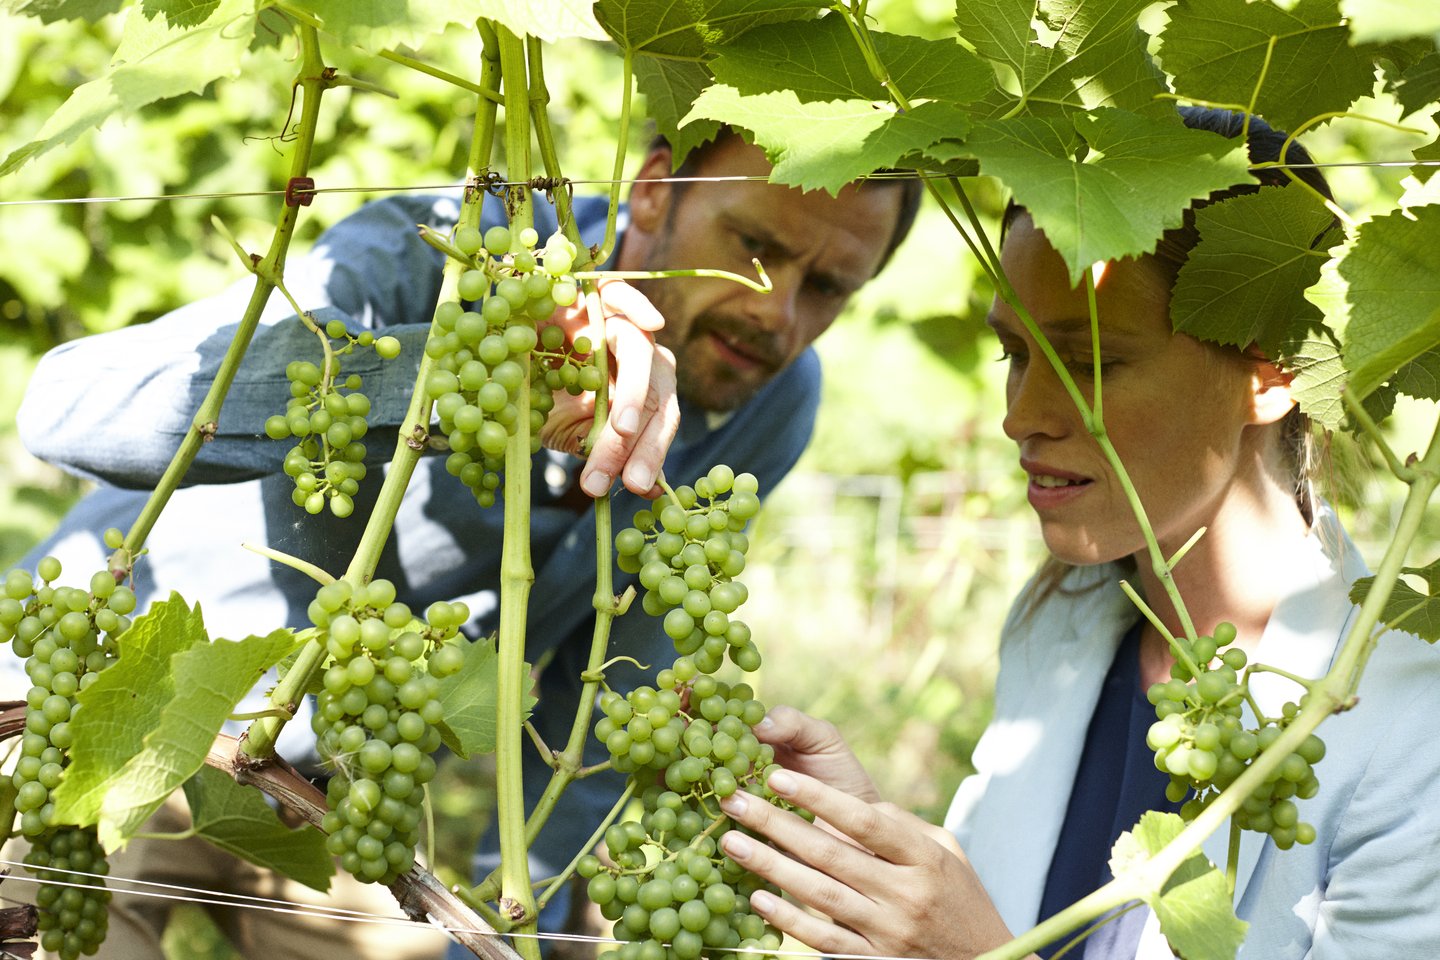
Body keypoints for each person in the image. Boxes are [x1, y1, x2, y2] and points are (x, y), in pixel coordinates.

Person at [5, 128, 922, 959]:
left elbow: (617, 688)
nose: (777, 310)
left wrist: (516, 917)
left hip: (342, 780)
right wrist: (442, 379)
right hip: (107, 712)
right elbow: (65, 411)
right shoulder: (440, 255)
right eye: (755, 247)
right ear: (652, 189)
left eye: (831, 285)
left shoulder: (772, 395)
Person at [710, 109, 1440, 959]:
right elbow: (1009, 916)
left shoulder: (1410, 730)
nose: (1022, 416)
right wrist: (867, 845)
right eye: (1013, 354)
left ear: (1272, 375)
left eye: (1091, 361)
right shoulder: (1059, 622)